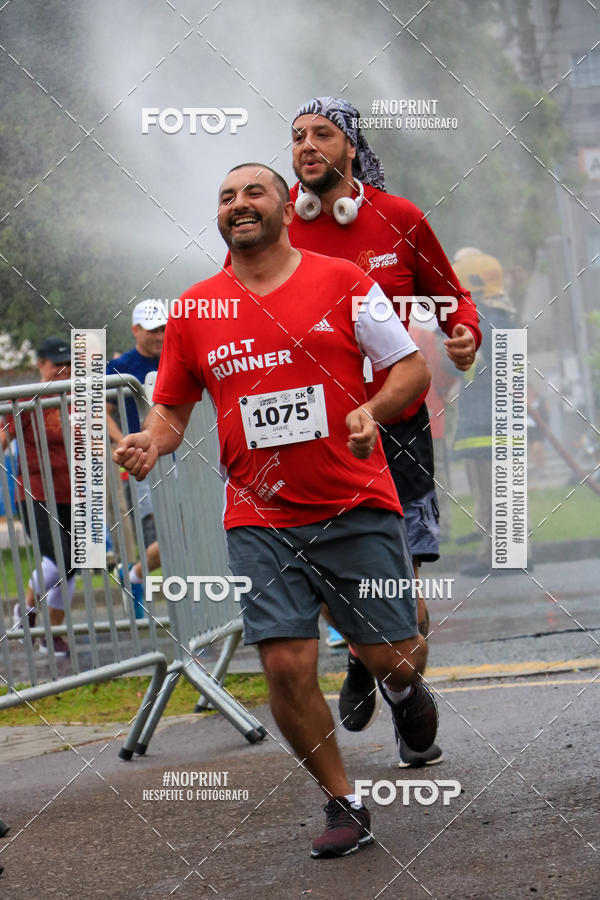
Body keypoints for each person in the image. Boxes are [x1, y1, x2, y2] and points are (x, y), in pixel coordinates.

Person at [115, 163, 437, 859]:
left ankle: (404, 694)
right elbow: (172, 410)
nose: (239, 204)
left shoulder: (344, 282)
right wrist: (152, 441)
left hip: (355, 502)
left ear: (288, 204)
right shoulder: (195, 310)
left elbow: (411, 368)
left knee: (395, 657)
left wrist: (372, 410)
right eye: (226, 196)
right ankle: (343, 801)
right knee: (285, 663)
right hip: (259, 515)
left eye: (253, 191)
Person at [287, 97, 481, 766]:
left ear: (350, 148)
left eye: (322, 134)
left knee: (399, 589)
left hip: (396, 429)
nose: (307, 145)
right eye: (297, 136)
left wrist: (463, 334)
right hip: (317, 437)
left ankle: (385, 675)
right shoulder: (277, 225)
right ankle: (380, 671)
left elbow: (453, 297)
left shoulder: (399, 219)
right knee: (331, 577)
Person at [7, 336, 74, 656]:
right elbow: (5, 435)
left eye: (67, 363)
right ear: (40, 364)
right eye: (55, 363)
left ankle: (53, 634)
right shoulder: (28, 399)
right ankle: (28, 611)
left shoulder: (77, 398)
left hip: (74, 492)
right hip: (36, 491)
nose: (62, 370)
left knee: (75, 561)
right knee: (62, 556)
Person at [452, 248, 516, 576]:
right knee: (501, 487)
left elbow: (469, 370)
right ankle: (502, 551)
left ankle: (499, 555)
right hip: (500, 418)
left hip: (487, 421)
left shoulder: (480, 322)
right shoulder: (504, 317)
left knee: (495, 487)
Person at [106, 301, 166, 617]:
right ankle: (136, 575)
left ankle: (135, 574)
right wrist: (124, 444)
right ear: (136, 330)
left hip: (180, 457)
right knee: (170, 536)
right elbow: (100, 413)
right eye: (153, 329)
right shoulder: (120, 365)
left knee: (186, 533)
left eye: (163, 328)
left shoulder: (175, 358)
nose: (160, 335)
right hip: (143, 463)